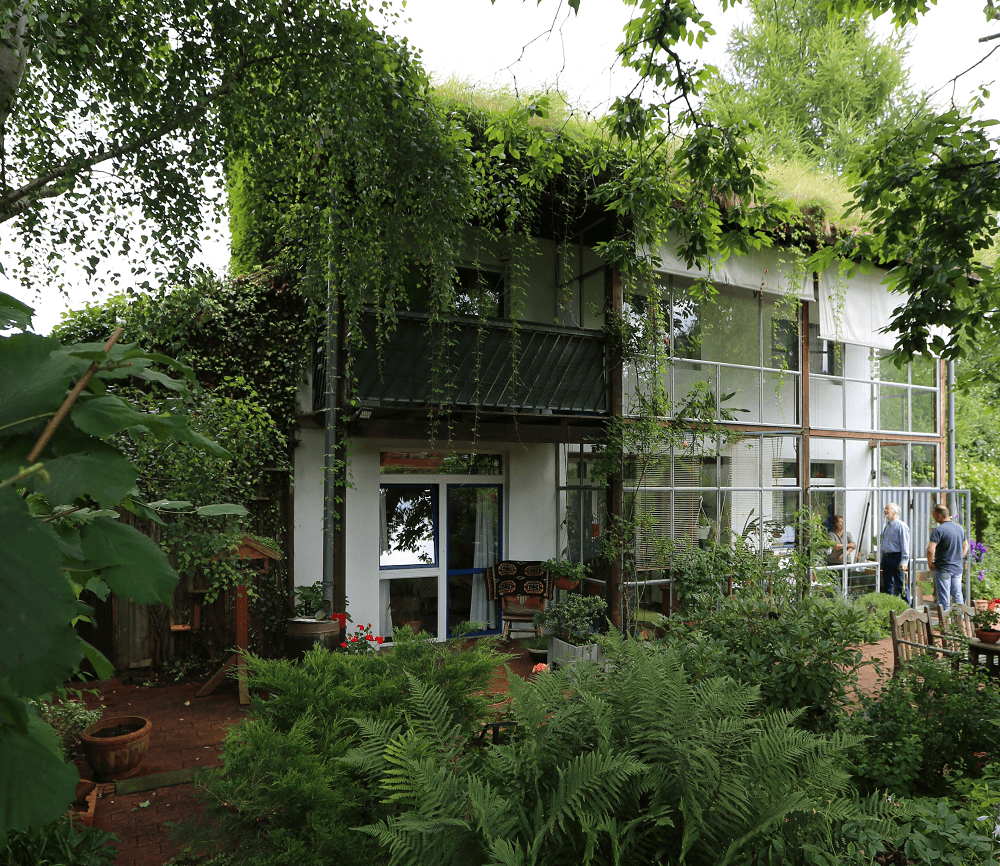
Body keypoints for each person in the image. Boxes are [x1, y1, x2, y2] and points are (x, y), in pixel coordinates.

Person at [927, 503, 969, 611]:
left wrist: (930, 562)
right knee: (957, 595)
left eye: (934, 515)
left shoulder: (938, 530)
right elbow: (966, 546)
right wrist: (959, 558)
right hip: (957, 568)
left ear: (940, 515)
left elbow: (931, 549)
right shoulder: (959, 528)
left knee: (944, 597)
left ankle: (945, 623)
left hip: (944, 568)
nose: (933, 517)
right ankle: (959, 621)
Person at [880, 502, 910, 603]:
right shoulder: (888, 526)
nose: (885, 511)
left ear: (894, 512)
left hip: (896, 557)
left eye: (887, 509)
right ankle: (889, 609)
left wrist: (904, 561)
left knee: (901, 585)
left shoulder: (901, 526)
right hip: (887, 558)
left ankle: (907, 609)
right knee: (887, 585)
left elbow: (905, 544)